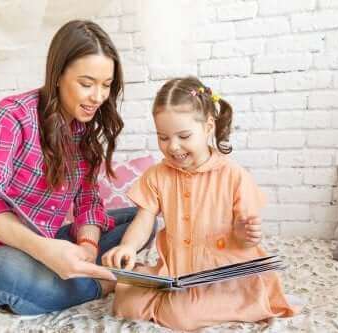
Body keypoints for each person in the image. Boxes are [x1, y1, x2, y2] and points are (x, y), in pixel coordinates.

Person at [0, 20, 151, 315]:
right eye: (87, 84)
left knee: (141, 220)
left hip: (43, 242)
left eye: (106, 85)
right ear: (58, 75)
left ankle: (77, 271)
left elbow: (88, 203)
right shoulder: (12, 116)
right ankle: (106, 283)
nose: (99, 97)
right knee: (16, 273)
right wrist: (45, 250)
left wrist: (88, 250)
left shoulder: (83, 130)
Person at [102, 76, 298, 331]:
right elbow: (144, 218)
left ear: (208, 127)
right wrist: (128, 246)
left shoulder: (233, 175)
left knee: (180, 317)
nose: (173, 146)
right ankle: (166, 295)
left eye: (183, 136)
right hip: (179, 269)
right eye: (163, 137)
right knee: (124, 303)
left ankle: (238, 301)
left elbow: (248, 239)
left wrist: (244, 234)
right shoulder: (158, 175)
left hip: (221, 274)